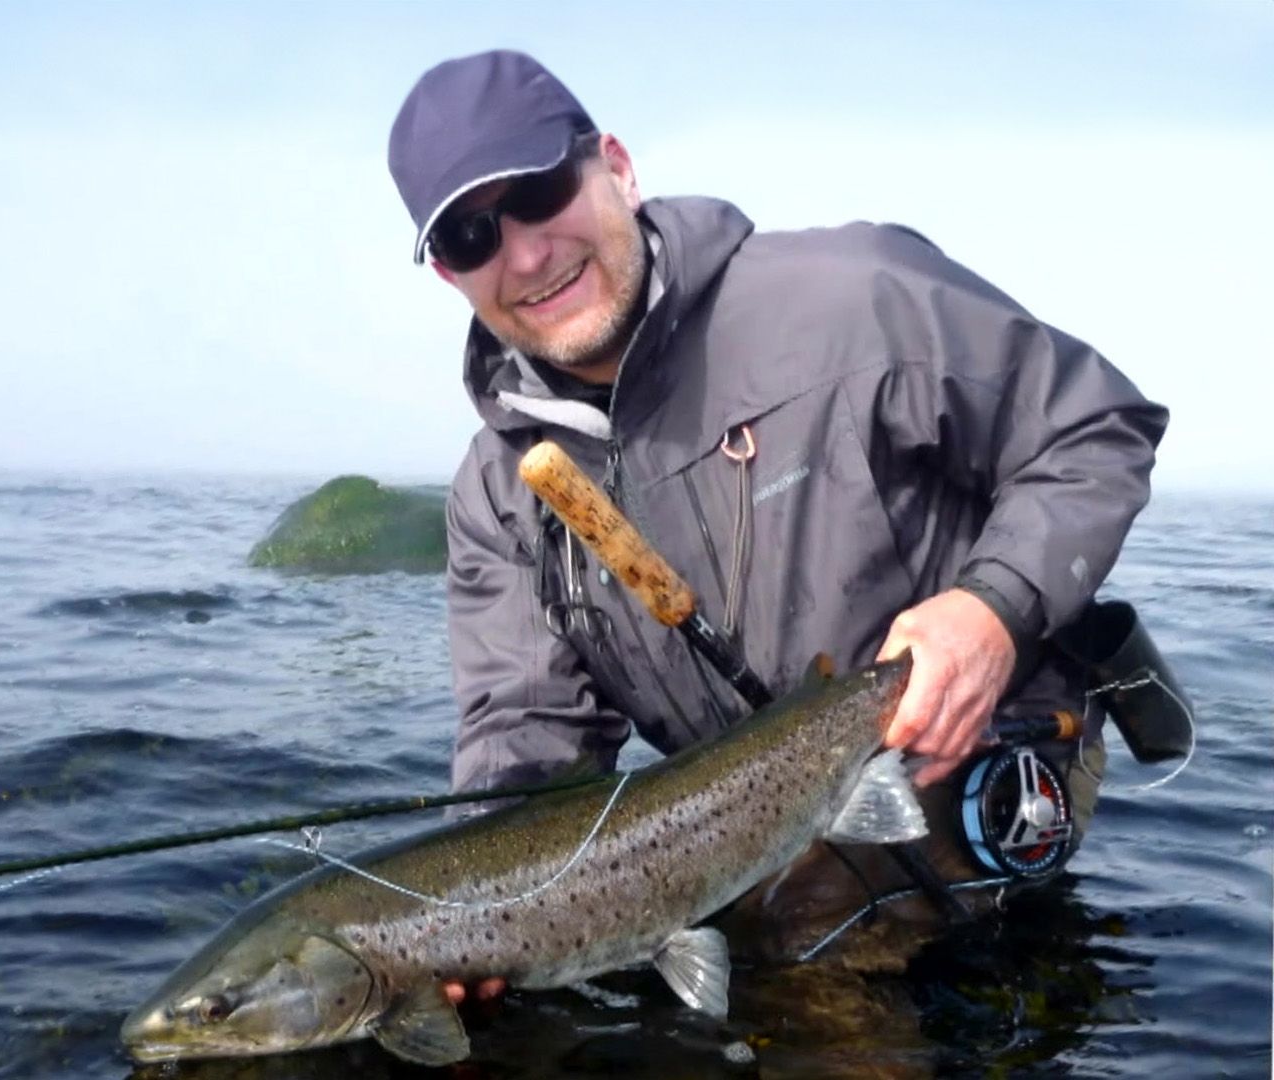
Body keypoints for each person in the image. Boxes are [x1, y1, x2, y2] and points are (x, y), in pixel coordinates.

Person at [386, 50, 1168, 1001]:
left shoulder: (855, 297)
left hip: (978, 747)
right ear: (445, 274)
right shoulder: (496, 496)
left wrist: (992, 612)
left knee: (816, 986)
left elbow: (1095, 431)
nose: (526, 253)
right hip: (741, 825)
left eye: (544, 190)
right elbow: (529, 739)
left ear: (619, 169)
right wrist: (483, 905)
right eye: (472, 235)